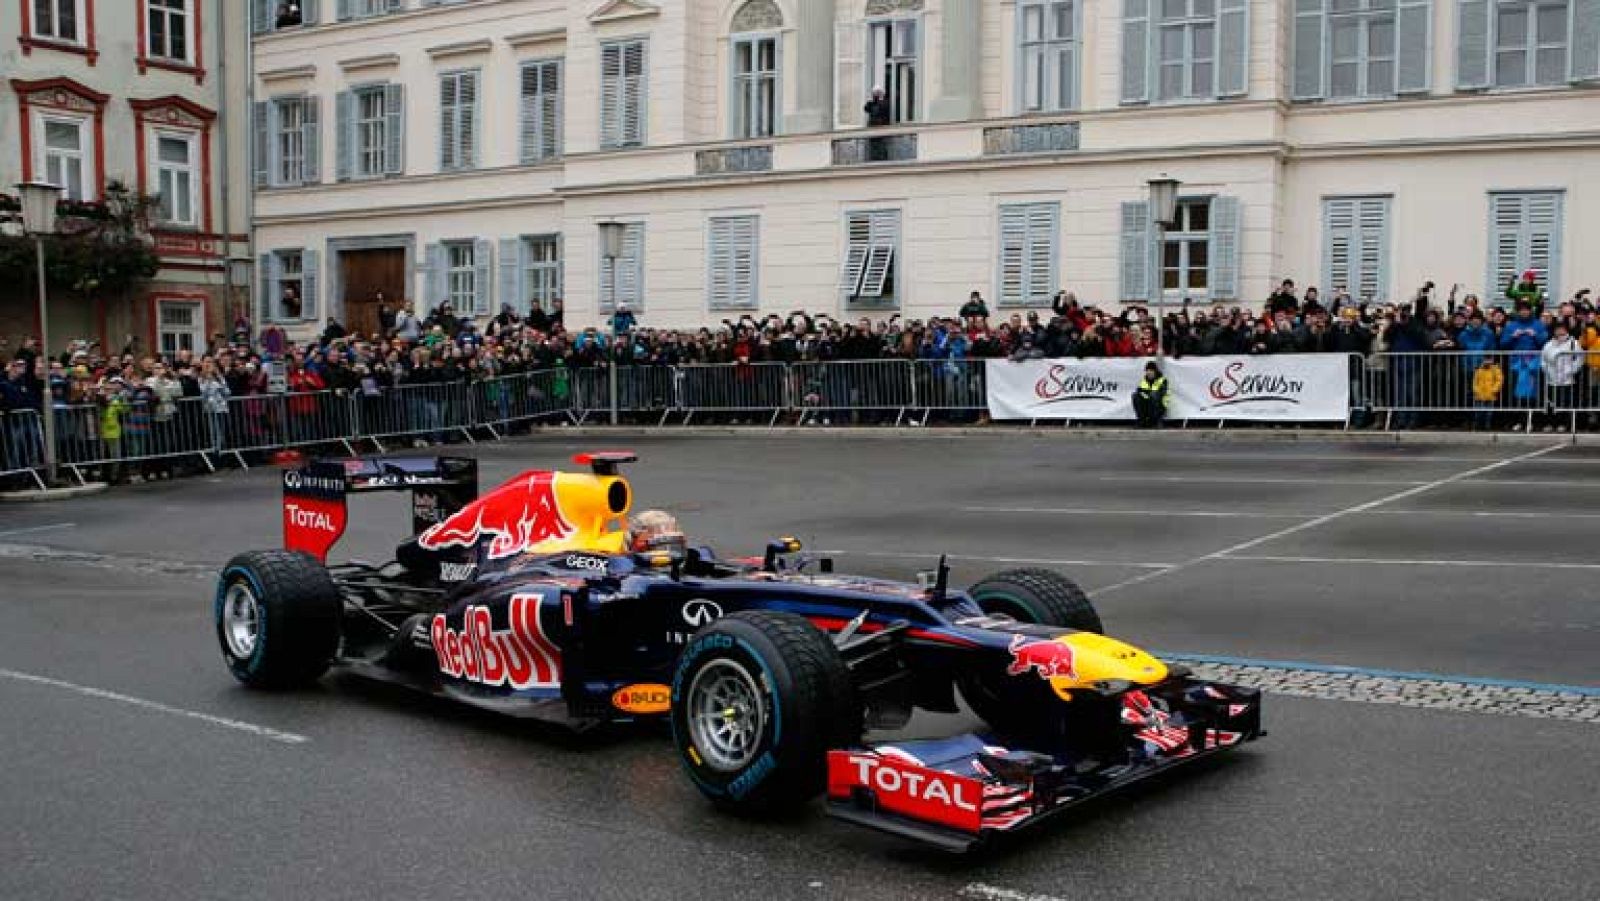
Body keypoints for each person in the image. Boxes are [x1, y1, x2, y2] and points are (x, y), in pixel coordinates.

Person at [1133, 361, 1168, 428]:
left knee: (1154, 395)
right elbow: (1140, 391)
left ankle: (1157, 421)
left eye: (1151, 370)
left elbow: (1162, 393)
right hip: (1147, 404)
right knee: (1135, 396)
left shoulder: (1162, 380)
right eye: (1147, 370)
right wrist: (1144, 394)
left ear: (1155, 371)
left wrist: (1147, 393)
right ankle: (1142, 420)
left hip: (1160, 406)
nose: (1149, 372)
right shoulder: (1144, 381)